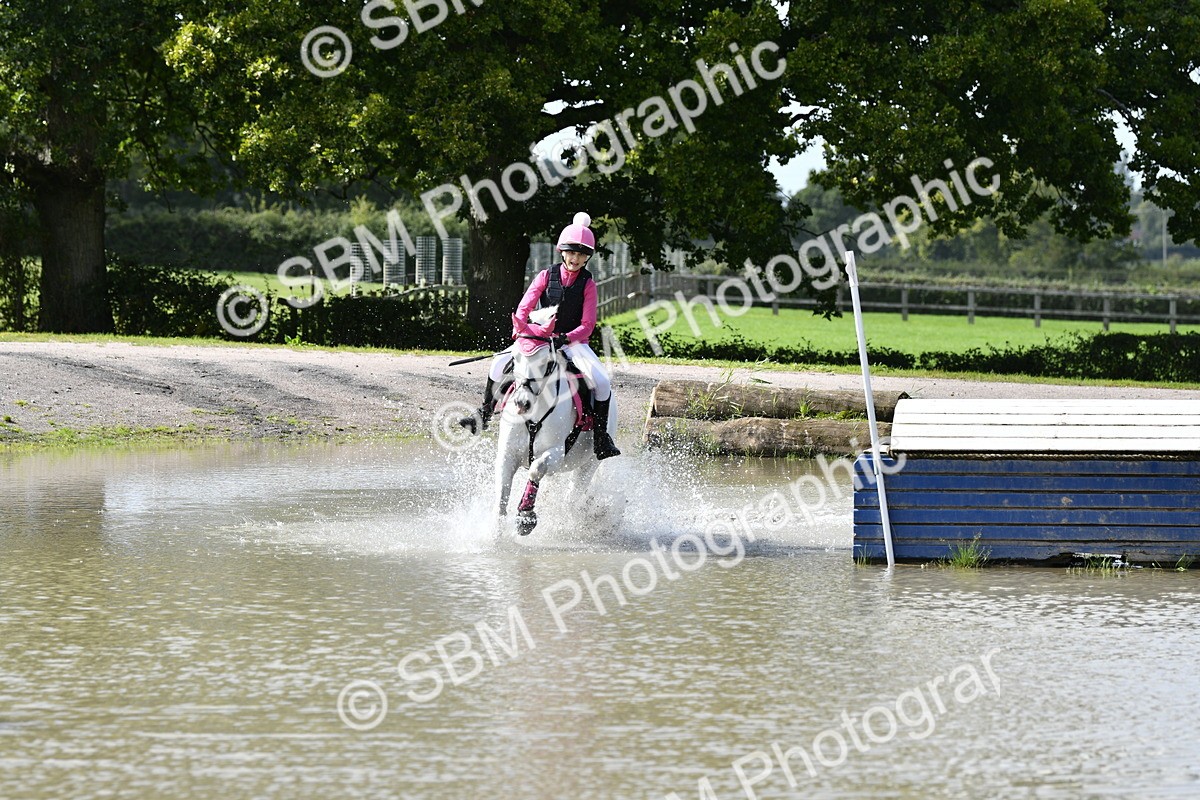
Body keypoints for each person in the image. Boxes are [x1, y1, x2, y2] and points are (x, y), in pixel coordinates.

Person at [459, 211, 621, 460]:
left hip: (572, 343)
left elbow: (588, 325)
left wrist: (565, 338)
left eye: (581, 255)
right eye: (571, 253)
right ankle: (483, 414)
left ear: (586, 257)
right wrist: (520, 328)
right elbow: (525, 306)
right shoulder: (546, 276)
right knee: (499, 363)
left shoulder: (588, 284)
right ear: (562, 252)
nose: (575, 259)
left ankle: (600, 437)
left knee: (601, 382)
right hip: (537, 340)